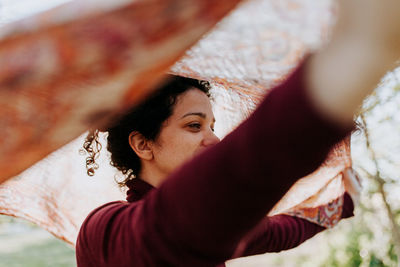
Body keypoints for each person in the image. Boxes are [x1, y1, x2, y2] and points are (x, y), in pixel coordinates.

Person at [76, 0, 400, 266]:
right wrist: (350, 59)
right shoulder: (103, 231)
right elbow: (203, 206)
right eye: (193, 125)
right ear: (142, 144)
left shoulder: (215, 224)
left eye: (212, 127)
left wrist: (342, 204)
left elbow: (278, 231)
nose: (214, 140)